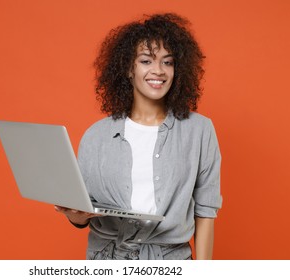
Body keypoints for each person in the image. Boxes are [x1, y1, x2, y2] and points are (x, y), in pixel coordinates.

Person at [55, 13, 222, 260]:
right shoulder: (95, 137)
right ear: (128, 68)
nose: (158, 71)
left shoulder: (199, 131)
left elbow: (205, 211)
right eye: (146, 61)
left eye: (168, 62)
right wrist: (74, 215)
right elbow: (83, 213)